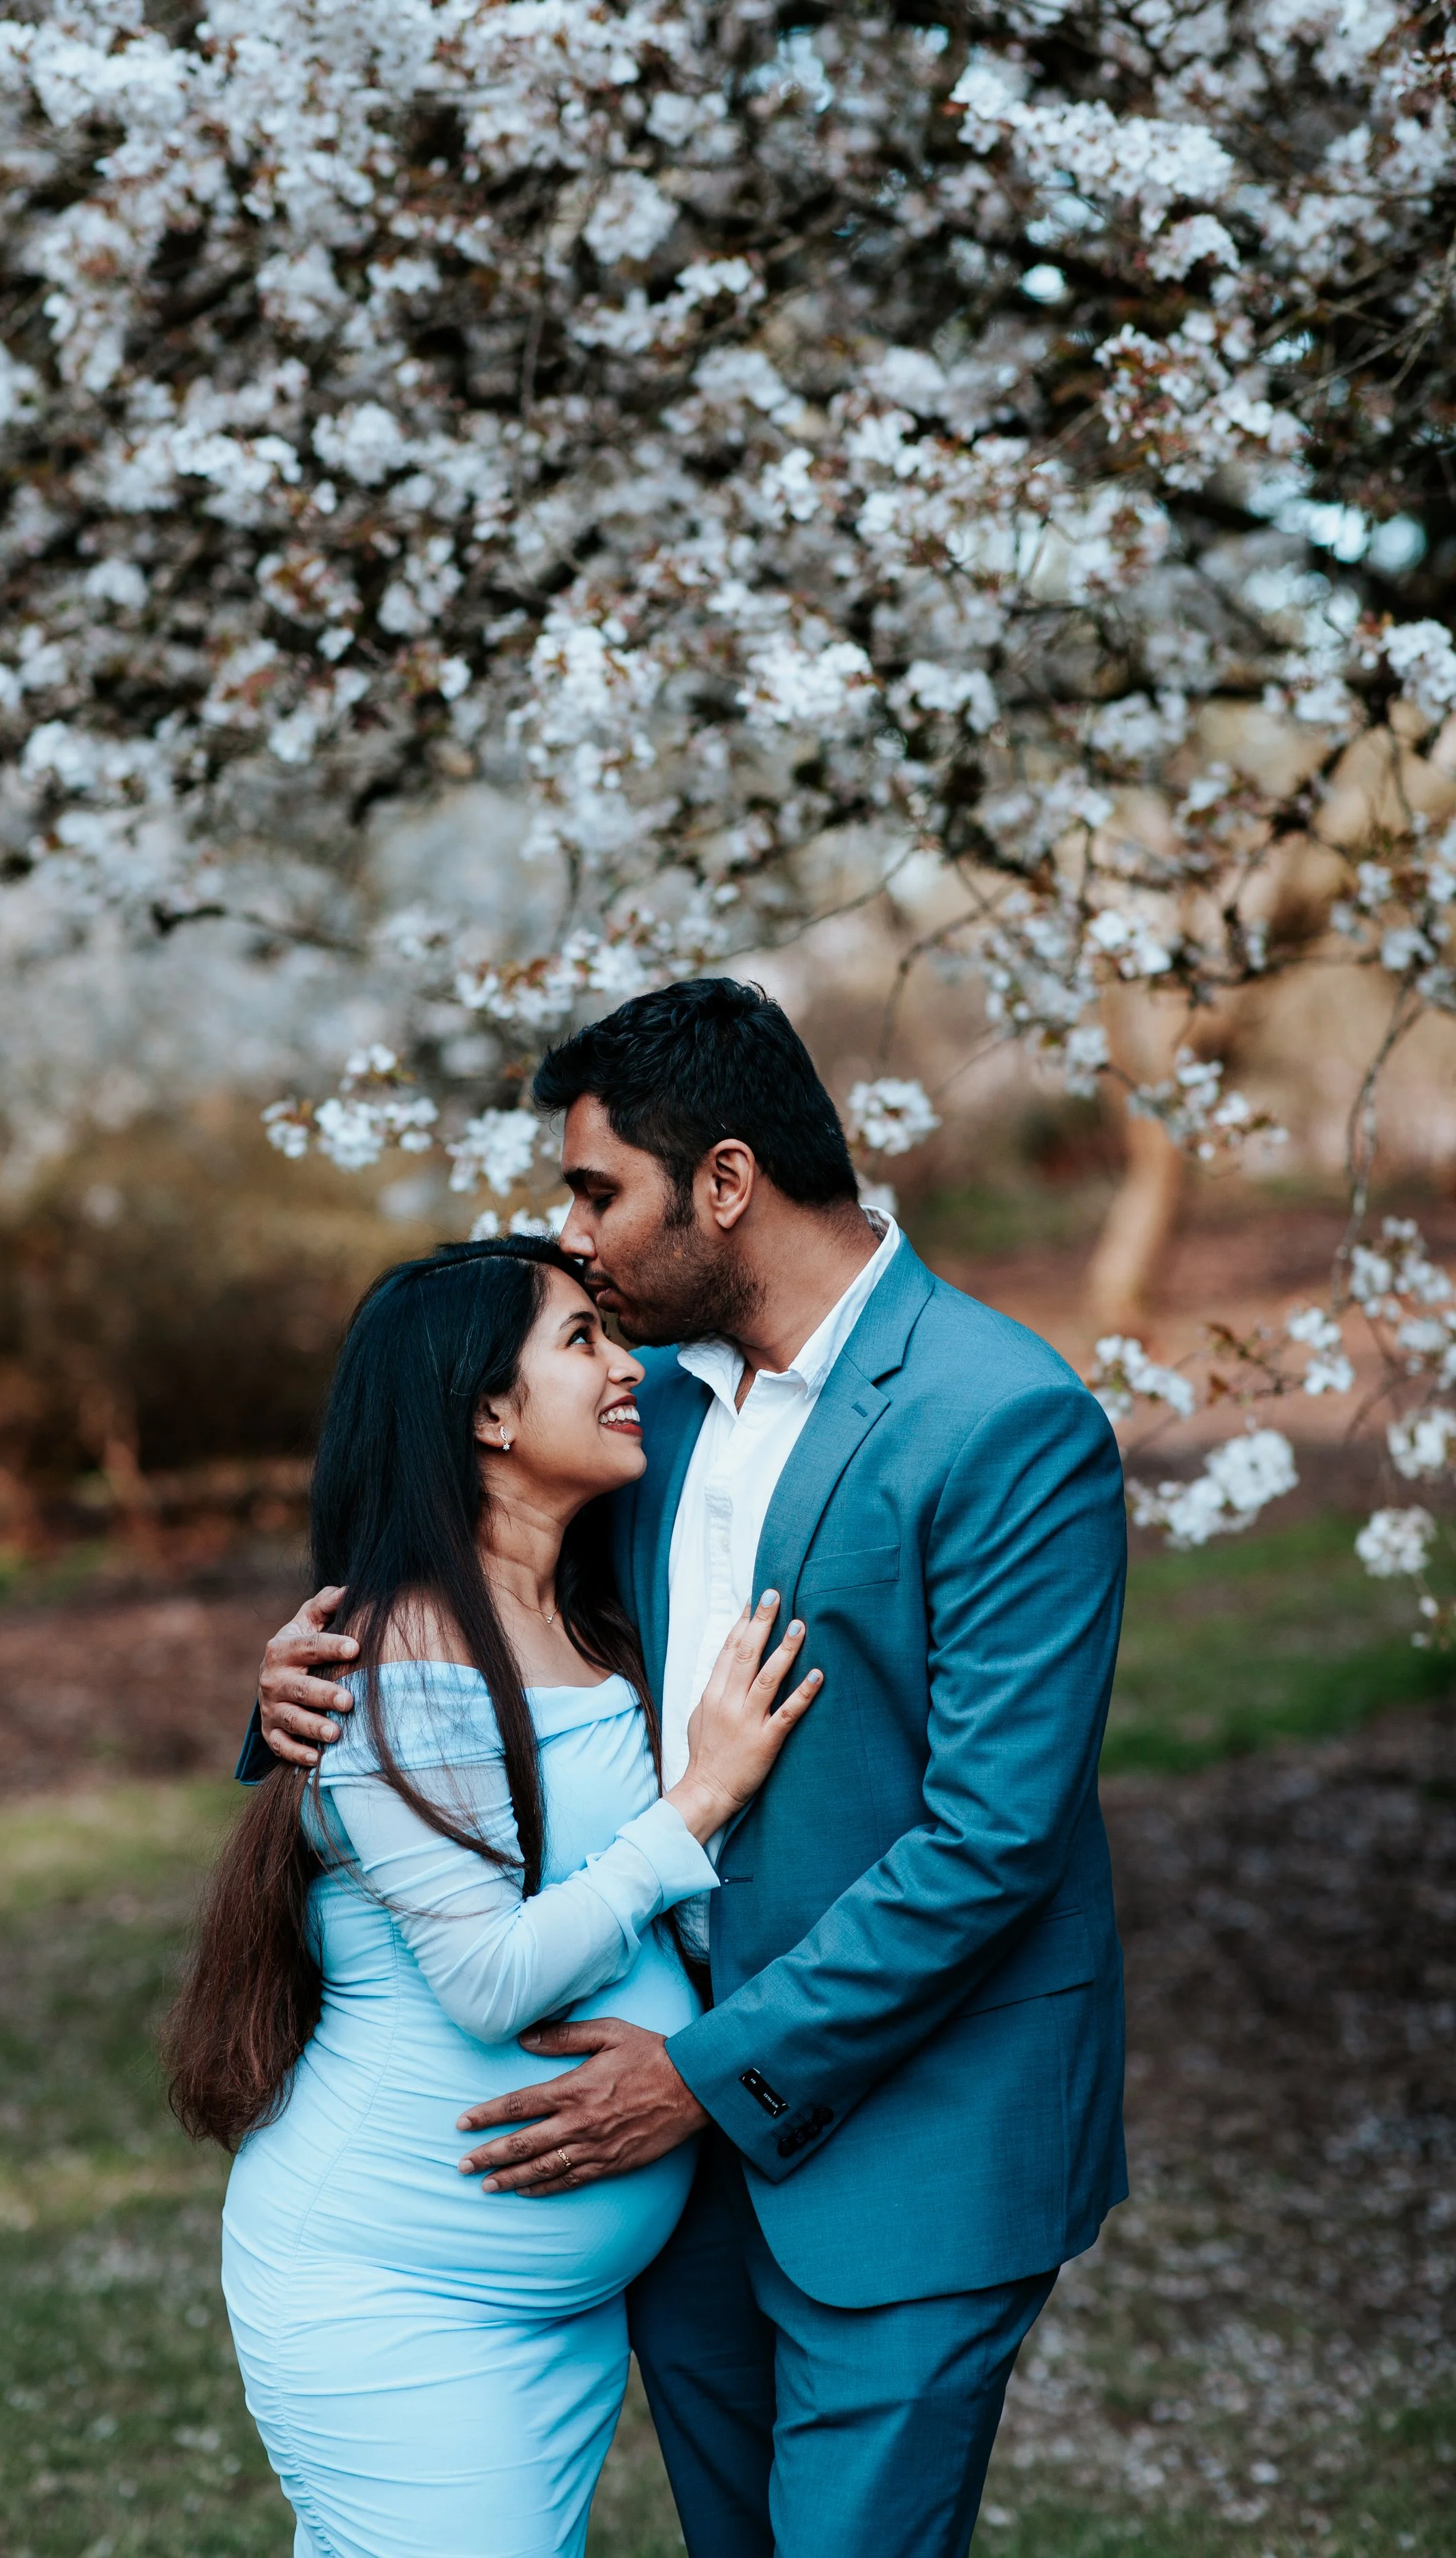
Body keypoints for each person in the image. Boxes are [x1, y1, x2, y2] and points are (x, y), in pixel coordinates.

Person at [249, 978, 1129, 2558]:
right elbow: (465, 1591)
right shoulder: (633, 1411)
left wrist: (697, 2075)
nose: (572, 1237)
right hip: (682, 2181)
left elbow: (990, 1840)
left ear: (722, 1183)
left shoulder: (1002, 1421)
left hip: (911, 2143)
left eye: (597, 1191)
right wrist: (293, 1685)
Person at [165, 1234, 821, 2558]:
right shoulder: (399, 1658)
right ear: (485, 1411)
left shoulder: (587, 1609)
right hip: (400, 2295)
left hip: (548, 2310)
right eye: (579, 1340)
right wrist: (697, 1799)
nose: (623, 1363)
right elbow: (490, 1978)